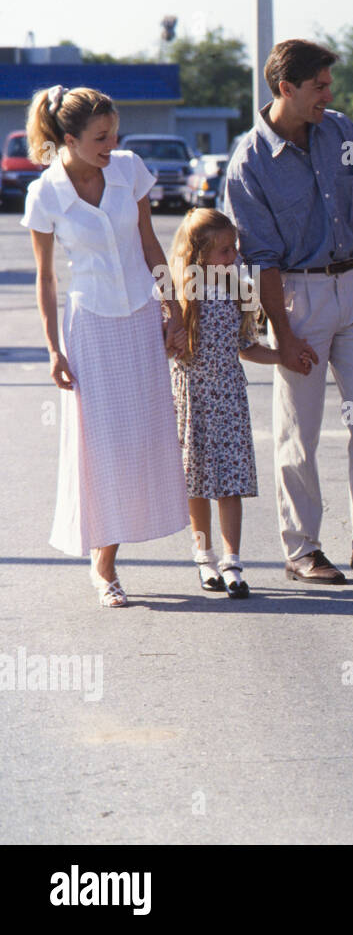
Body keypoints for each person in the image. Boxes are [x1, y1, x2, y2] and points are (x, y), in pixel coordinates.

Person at [224, 39, 353, 586]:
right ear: (286, 88)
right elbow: (259, 260)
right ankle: (303, 549)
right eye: (320, 87)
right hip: (296, 297)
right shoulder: (250, 162)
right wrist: (281, 335)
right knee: (299, 430)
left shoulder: (342, 132)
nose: (329, 96)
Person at [21, 84, 189, 607]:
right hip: (90, 326)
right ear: (67, 138)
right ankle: (105, 566)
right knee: (102, 445)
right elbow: (46, 279)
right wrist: (52, 348)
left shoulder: (129, 169)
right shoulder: (46, 193)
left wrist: (175, 309)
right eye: (100, 137)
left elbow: (148, 241)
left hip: (140, 316)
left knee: (142, 438)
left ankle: (134, 548)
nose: (111, 144)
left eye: (114, 133)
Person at [169, 208, 301, 598]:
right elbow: (162, 345)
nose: (234, 258)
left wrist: (281, 356)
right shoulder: (180, 292)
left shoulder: (237, 290)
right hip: (192, 396)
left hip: (228, 397)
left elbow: (245, 347)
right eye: (225, 251)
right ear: (199, 255)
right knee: (196, 483)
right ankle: (203, 555)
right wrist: (169, 341)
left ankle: (232, 560)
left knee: (230, 483)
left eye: (235, 249)